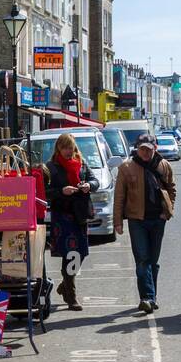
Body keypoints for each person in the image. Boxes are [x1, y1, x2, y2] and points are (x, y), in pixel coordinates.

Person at [112, 134, 176, 314]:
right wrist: (117, 221)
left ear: (155, 148)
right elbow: (119, 196)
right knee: (142, 260)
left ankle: (151, 297)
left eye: (149, 149)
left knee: (153, 262)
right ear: (137, 149)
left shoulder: (163, 165)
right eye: (143, 149)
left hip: (158, 219)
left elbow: (172, 188)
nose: (146, 152)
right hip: (137, 220)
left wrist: (168, 211)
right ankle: (147, 297)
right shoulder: (126, 168)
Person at [45, 133, 100, 312]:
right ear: (59, 148)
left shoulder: (81, 163)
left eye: (71, 148)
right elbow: (45, 191)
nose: (69, 151)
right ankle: (71, 296)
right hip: (63, 215)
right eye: (65, 148)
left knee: (81, 253)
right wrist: (62, 191)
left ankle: (64, 285)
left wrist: (88, 186)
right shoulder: (51, 167)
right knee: (70, 254)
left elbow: (95, 181)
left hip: (80, 214)